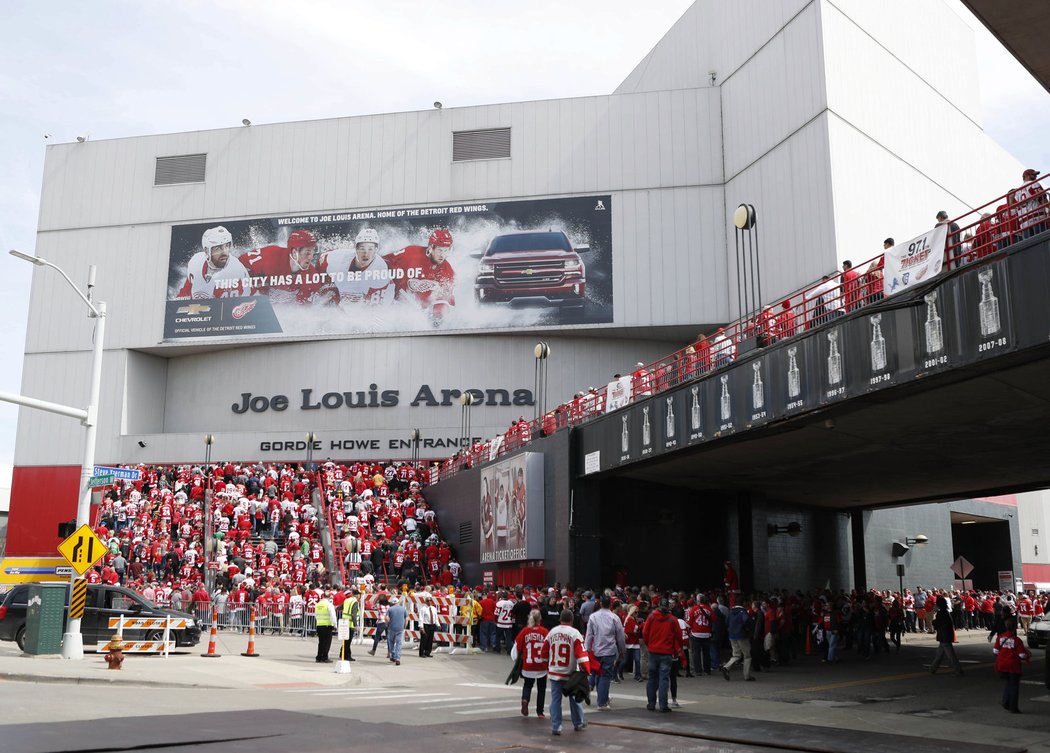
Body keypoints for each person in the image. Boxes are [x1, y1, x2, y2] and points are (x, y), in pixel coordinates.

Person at [239, 228, 334, 305]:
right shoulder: (269, 259)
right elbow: (238, 269)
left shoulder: (311, 277)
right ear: (294, 252)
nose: (311, 257)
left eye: (312, 252)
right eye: (307, 253)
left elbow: (302, 308)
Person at [384, 228, 456, 325]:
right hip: (394, 304)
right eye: (440, 250)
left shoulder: (447, 271)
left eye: (446, 250)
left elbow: (446, 300)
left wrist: (437, 316)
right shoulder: (410, 253)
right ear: (431, 247)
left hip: (420, 313)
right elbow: (384, 262)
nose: (442, 255)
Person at [318, 227, 395, 307]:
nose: (366, 254)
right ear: (356, 248)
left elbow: (373, 311)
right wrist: (326, 286)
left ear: (376, 250)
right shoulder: (337, 257)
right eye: (362, 249)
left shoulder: (380, 271)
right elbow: (321, 261)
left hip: (378, 295)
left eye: (370, 249)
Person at [542, 609, 590, 736]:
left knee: (556, 700)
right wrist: (586, 669)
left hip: (554, 671)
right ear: (572, 620)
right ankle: (578, 723)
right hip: (571, 673)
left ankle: (556, 726)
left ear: (560, 619)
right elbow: (582, 654)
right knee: (574, 698)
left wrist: (547, 664)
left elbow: (544, 651)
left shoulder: (552, 632)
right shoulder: (575, 633)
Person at [176, 225, 250, 299]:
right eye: (218, 248)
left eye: (227, 246)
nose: (224, 252)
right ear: (206, 251)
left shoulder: (235, 271)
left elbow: (231, 307)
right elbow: (185, 293)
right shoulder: (196, 262)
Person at [584, 594, 626, 711]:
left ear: (601, 604)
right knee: (605, 676)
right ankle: (602, 702)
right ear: (611, 605)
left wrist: (587, 649)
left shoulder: (593, 617)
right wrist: (622, 650)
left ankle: (600, 698)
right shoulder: (614, 618)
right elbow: (620, 637)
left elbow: (589, 635)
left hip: (596, 650)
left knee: (597, 674)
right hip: (609, 650)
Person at [643, 598, 681, 712]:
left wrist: (649, 645)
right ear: (668, 607)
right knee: (664, 679)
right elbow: (678, 636)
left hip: (653, 651)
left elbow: (645, 633)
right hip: (666, 652)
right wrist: (676, 650)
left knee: (652, 678)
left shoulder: (651, 617)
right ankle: (663, 705)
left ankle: (651, 703)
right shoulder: (673, 620)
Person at [512, 609, 549, 718]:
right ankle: (540, 711)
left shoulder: (525, 631)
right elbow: (549, 647)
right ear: (540, 619)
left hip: (528, 665)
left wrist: (517, 661)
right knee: (541, 688)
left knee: (527, 685)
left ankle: (525, 699)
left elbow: (517, 648)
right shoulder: (545, 631)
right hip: (541, 665)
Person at [993, 617, 1029, 713]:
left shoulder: (1000, 637)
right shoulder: (1017, 640)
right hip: (1013, 665)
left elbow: (995, 651)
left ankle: (1006, 702)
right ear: (1015, 628)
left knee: (1008, 683)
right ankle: (1013, 707)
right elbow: (1022, 655)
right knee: (1014, 686)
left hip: (1001, 665)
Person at [720, 601, 754, 680]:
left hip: (732, 636)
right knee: (747, 656)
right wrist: (747, 629)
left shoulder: (731, 612)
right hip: (742, 636)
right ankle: (747, 676)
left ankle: (726, 667)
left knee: (736, 655)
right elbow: (745, 620)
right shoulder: (743, 612)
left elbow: (726, 622)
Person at [929, 596, 964, 676]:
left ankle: (958, 670)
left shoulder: (941, 613)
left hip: (944, 636)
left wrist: (934, 622)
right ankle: (932, 669)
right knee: (939, 654)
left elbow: (938, 624)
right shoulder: (945, 612)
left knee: (950, 655)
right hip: (945, 635)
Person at [1013, 168, 1048, 239]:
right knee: (1043, 241)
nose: (1036, 177)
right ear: (1026, 176)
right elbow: (1042, 199)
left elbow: (1015, 207)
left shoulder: (1017, 192)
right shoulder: (1033, 184)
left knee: (1032, 247)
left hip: (1024, 224)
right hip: (1037, 218)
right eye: (1033, 175)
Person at [314, 589, 337, 663]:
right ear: (330, 597)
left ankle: (319, 657)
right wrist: (335, 625)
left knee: (321, 642)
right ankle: (325, 657)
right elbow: (333, 616)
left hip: (319, 625)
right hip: (327, 625)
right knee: (327, 642)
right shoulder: (329, 604)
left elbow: (316, 615)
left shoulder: (318, 604)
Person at [339, 587, 360, 662]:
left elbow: (339, 607)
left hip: (344, 622)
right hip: (350, 623)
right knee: (348, 641)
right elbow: (354, 614)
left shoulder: (347, 600)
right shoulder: (355, 602)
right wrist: (355, 625)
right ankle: (346, 656)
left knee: (345, 640)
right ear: (357, 595)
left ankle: (342, 654)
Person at [386, 595, 408, 666]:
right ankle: (398, 658)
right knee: (398, 643)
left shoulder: (390, 609)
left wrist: (387, 624)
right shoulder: (403, 609)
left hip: (391, 628)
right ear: (398, 602)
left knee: (391, 642)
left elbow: (386, 618)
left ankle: (393, 654)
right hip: (400, 628)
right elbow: (406, 619)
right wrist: (404, 626)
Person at [417, 593, 438, 658]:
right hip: (425, 625)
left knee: (430, 639)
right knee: (424, 639)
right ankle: (421, 653)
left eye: (430, 600)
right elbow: (421, 618)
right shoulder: (423, 609)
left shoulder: (434, 608)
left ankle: (427, 652)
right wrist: (421, 627)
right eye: (428, 601)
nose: (429, 602)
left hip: (432, 625)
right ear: (425, 602)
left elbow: (436, 617)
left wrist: (438, 624)